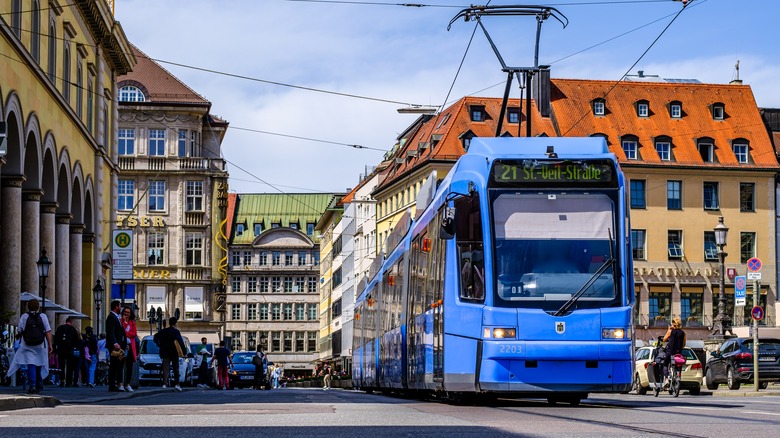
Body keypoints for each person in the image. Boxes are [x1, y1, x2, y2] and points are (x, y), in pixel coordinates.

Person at [6, 299, 53, 394]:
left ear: (28, 307)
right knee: (39, 362)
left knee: (31, 363)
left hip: (27, 343)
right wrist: (50, 344)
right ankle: (39, 383)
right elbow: (48, 331)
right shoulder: (43, 316)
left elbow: (20, 330)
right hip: (40, 344)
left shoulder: (24, 316)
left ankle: (32, 385)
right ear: (38, 307)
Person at [155, 317, 185, 391]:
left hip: (165, 351)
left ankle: (164, 383)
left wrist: (159, 344)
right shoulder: (176, 332)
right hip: (174, 352)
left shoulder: (163, 331)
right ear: (175, 323)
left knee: (165, 368)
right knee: (175, 368)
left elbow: (155, 337)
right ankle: (177, 384)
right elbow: (180, 342)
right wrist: (184, 351)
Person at [105, 300, 127, 392]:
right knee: (114, 365)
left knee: (117, 365)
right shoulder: (111, 317)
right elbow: (111, 332)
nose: (121, 307)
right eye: (120, 306)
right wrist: (115, 343)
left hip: (118, 345)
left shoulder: (116, 317)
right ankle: (112, 385)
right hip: (115, 346)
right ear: (116, 307)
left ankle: (114, 384)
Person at [54, 316, 81, 387]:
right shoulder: (73, 329)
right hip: (69, 350)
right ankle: (68, 381)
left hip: (61, 350)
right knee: (70, 366)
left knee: (61, 366)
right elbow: (76, 341)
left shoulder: (60, 328)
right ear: (71, 322)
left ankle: (62, 380)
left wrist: (56, 350)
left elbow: (56, 339)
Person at [662, 316, 686, 386]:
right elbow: (684, 344)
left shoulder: (670, 331)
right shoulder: (683, 333)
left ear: (674, 324)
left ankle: (666, 379)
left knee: (665, 364)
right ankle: (678, 376)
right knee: (678, 366)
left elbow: (664, 339)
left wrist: (668, 330)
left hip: (670, 352)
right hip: (678, 354)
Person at [120, 306, 138, 392]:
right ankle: (120, 383)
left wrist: (125, 333)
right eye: (125, 312)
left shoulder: (132, 323)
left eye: (128, 312)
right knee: (120, 365)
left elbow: (134, 334)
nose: (126, 314)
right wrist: (125, 324)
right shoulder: (120, 321)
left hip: (130, 346)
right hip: (122, 346)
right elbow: (120, 332)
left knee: (129, 366)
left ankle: (127, 384)